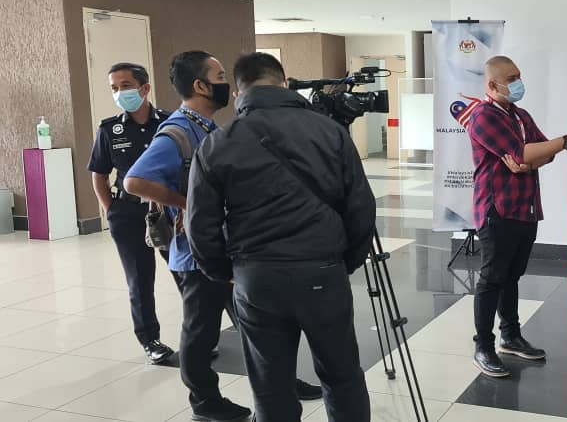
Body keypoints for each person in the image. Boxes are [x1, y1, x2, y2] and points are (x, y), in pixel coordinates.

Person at [124, 51, 321, 421]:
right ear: (200, 86)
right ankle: (205, 402)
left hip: (225, 248)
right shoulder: (177, 132)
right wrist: (187, 204)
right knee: (201, 332)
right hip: (197, 255)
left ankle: (281, 384)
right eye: (218, 76)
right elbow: (134, 181)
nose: (225, 83)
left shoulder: (208, 127)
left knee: (257, 325)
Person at [186, 52, 375, 422]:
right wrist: (345, 261)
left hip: (257, 278)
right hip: (323, 271)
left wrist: (227, 272)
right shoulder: (331, 132)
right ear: (285, 84)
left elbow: (200, 225)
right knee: (342, 376)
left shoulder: (218, 143)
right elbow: (361, 207)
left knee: (270, 385)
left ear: (238, 93)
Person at [467, 55, 567, 377]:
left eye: (519, 76)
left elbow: (541, 152)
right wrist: (565, 142)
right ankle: (483, 345)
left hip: (525, 207)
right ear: (492, 85)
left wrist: (533, 157)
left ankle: (510, 336)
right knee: (492, 278)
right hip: (497, 209)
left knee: (512, 275)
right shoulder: (483, 116)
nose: (518, 83)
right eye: (511, 79)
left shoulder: (520, 115)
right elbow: (526, 152)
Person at [87, 62, 176, 364]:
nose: (119, 92)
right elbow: (99, 174)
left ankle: (200, 336)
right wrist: (111, 209)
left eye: (125, 86)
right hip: (128, 213)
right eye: (114, 88)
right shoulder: (109, 129)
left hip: (167, 210)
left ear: (144, 88)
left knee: (184, 272)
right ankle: (150, 341)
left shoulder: (170, 122)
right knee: (139, 280)